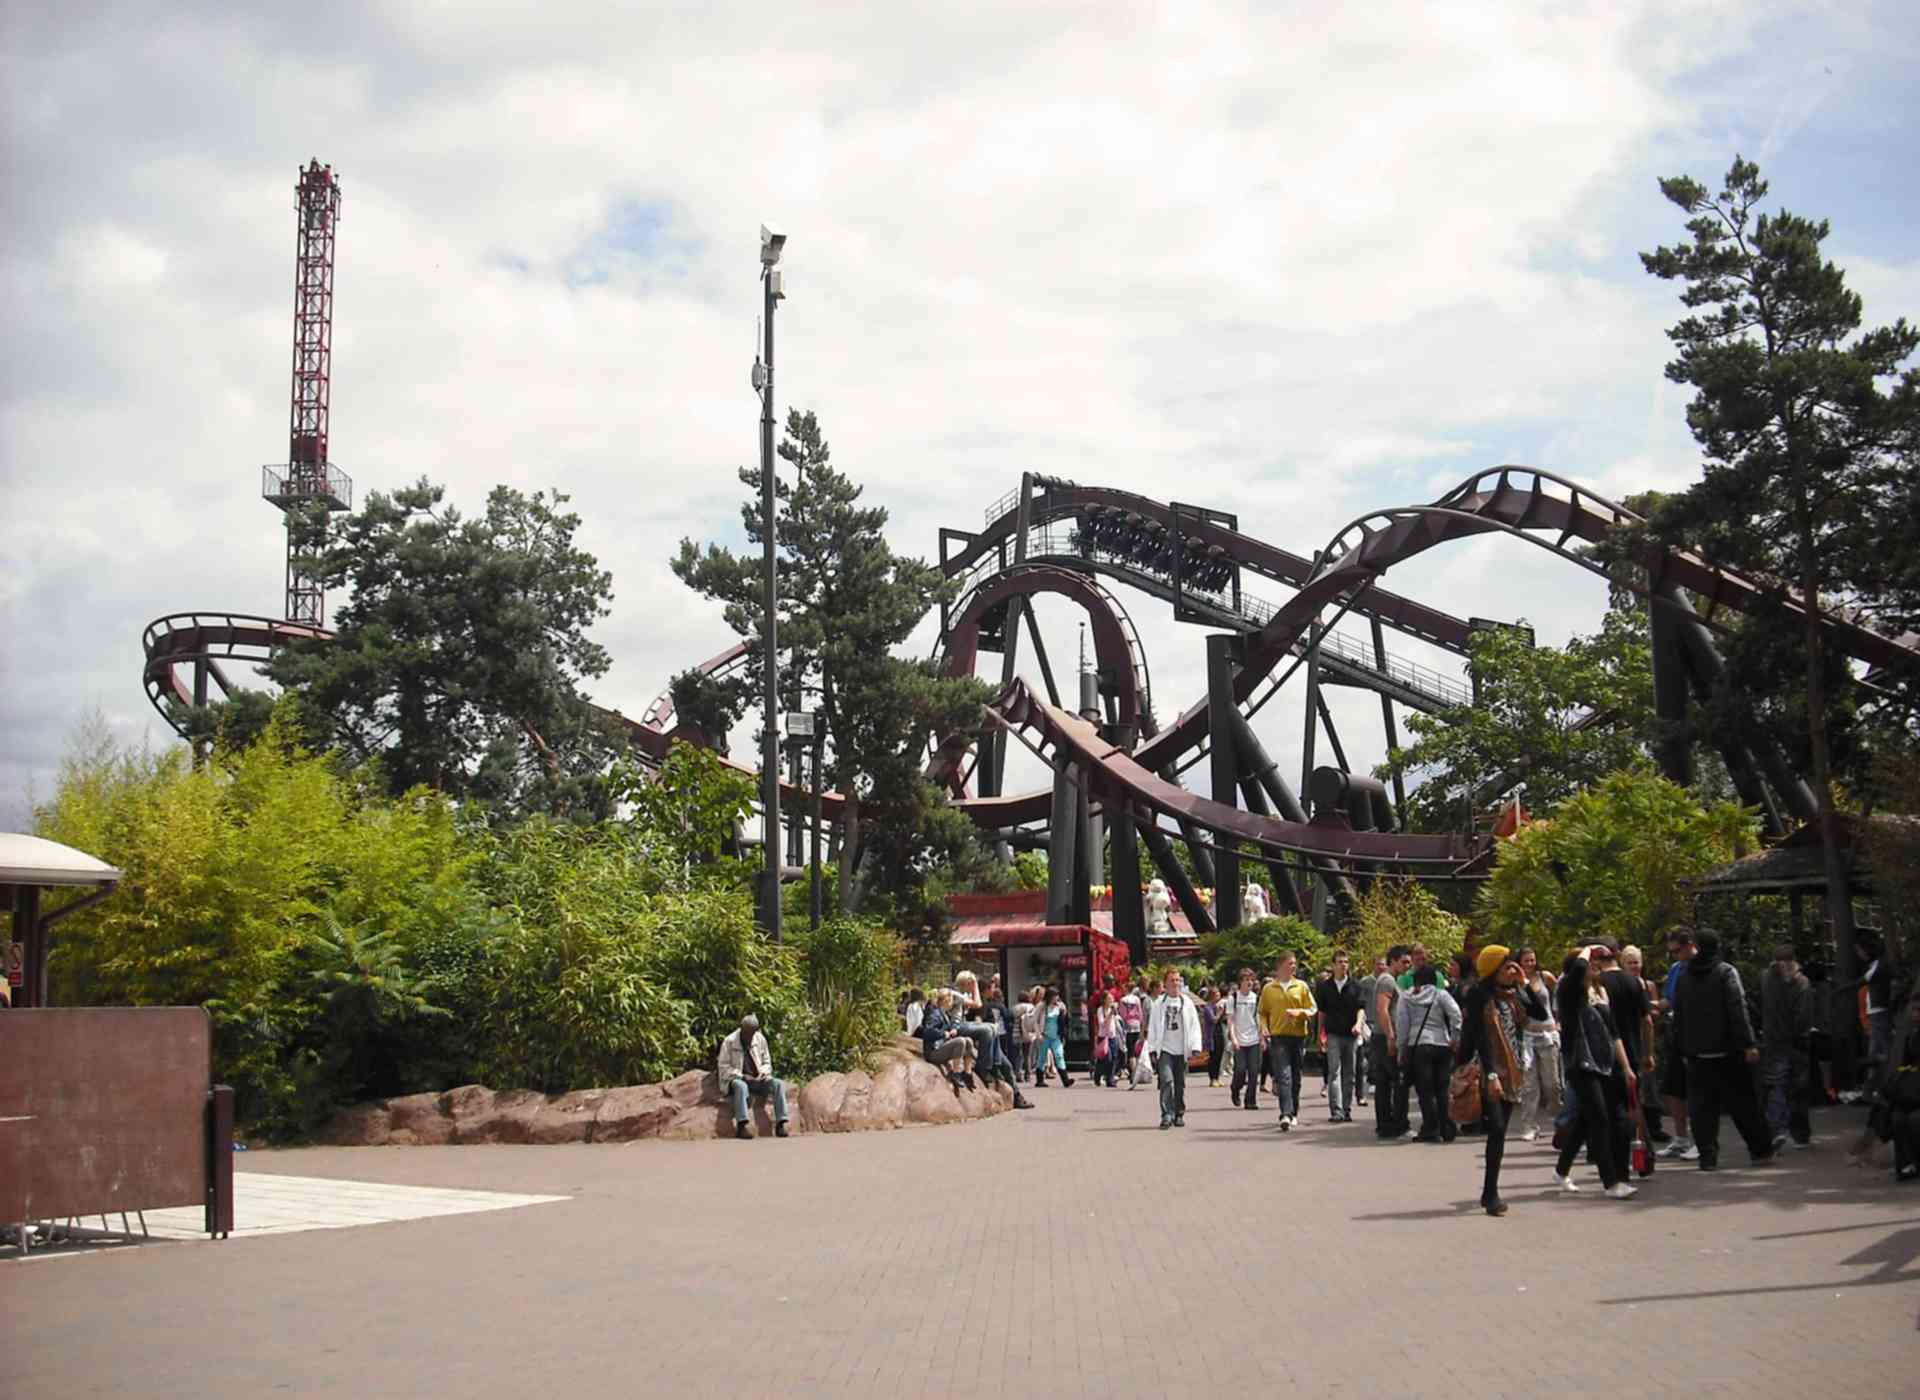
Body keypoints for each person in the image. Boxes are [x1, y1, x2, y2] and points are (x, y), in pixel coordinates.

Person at [1671, 930, 1774, 1171]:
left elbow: (1680, 1016)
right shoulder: (1726, 972)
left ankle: (1707, 1157)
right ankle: (1761, 1151)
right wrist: (1748, 1043)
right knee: (1743, 1104)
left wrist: (1682, 1049)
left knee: (1701, 1108)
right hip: (1728, 1051)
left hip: (1697, 1053)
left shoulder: (1684, 975)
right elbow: (1737, 1009)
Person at [1458, 947, 1538, 1215]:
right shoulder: (1480, 995)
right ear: (1493, 969)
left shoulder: (1514, 994)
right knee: (1497, 1128)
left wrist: (1525, 983)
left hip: (1513, 1069)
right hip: (1488, 1069)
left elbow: (1539, 1012)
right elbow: (1480, 1036)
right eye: (1508, 967)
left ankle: (1488, 1191)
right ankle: (1490, 1194)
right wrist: (1491, 1073)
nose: (1513, 971)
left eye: (1514, 966)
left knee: (1500, 1131)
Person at [1553, 950, 1637, 1198]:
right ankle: (1611, 1183)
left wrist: (1626, 1067)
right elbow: (1577, 969)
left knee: (1588, 1119)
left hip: (1605, 1064)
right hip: (1581, 1064)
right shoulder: (1569, 993)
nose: (1595, 965)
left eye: (1596, 962)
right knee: (1599, 1118)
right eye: (1590, 962)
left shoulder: (1600, 993)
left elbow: (1614, 1033)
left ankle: (1562, 1170)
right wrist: (1589, 947)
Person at [1395, 965, 1461, 1143]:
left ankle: (1431, 1128)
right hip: (1442, 1044)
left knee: (1425, 1090)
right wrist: (1455, 1038)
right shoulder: (1441, 995)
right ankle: (1446, 1127)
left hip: (1418, 1046)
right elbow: (1456, 1015)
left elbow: (1402, 1024)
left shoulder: (1406, 997)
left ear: (1416, 980)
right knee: (1442, 1089)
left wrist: (1401, 1047)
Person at [1760, 943, 1814, 1151]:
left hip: (1774, 1040)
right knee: (1798, 1087)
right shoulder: (1802, 983)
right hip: (1796, 1042)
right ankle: (1800, 1134)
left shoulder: (1767, 979)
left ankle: (1776, 1129)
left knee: (1776, 1086)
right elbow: (1803, 1016)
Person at [1656, 928, 1700, 1161]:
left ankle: (1702, 1139)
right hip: (1676, 1033)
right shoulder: (1676, 969)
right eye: (1671, 951)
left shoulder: (1702, 967)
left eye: (1677, 950)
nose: (1675, 955)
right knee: (1674, 1088)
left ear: (1689, 944)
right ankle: (1681, 1138)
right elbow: (1667, 1001)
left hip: (1696, 1035)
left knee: (1697, 1089)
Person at [1260, 953, 1316, 1131]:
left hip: (1298, 1036)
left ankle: (1294, 1112)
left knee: (1296, 1077)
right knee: (1284, 1076)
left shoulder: (1301, 986)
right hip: (1278, 1037)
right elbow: (1262, 1012)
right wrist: (1263, 1027)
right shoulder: (1269, 989)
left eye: (1294, 964)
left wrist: (1299, 1012)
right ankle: (1285, 1113)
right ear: (1281, 966)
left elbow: (1313, 1009)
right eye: (1290, 963)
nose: (1294, 966)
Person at [1513, 947, 1561, 1143]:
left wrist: (1559, 1021)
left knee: (1552, 1084)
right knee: (1529, 1085)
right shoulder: (1514, 984)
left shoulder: (1545, 977)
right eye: (1526, 961)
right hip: (1528, 1036)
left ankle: (1560, 1121)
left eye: (1532, 960)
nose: (1530, 964)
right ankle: (1528, 1125)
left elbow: (1559, 996)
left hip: (1548, 1033)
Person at [716, 1014, 791, 1141]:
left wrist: (762, 1072)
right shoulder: (729, 1041)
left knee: (778, 1084)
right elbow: (723, 1068)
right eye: (747, 1033)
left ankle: (781, 1124)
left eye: (752, 1033)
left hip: (758, 1079)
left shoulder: (760, 1039)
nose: (749, 1037)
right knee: (741, 1086)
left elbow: (767, 1062)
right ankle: (741, 1125)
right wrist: (742, 1076)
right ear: (742, 1029)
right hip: (738, 1079)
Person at [1314, 950, 1367, 1123]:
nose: (1343, 965)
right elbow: (1321, 1012)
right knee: (1334, 1071)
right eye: (1340, 962)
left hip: (1350, 1034)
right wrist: (1319, 1034)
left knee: (1349, 1073)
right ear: (1333, 965)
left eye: (1346, 962)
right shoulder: (1325, 987)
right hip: (1333, 1033)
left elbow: (1361, 1008)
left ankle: (1346, 1109)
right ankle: (1336, 1110)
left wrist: (1358, 1024)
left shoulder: (1356, 986)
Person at [1147, 968, 1203, 1129]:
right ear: (1165, 984)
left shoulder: (1187, 1003)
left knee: (1180, 1084)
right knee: (1166, 1080)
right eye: (1172, 980)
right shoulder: (1159, 1004)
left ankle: (1179, 1113)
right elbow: (1153, 1027)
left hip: (1182, 1050)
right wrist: (1151, 1049)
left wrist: (1195, 1046)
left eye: (1178, 980)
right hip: (1165, 1049)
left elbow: (1194, 1026)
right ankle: (1166, 1115)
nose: (1175, 983)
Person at [1372, 947, 1413, 1138]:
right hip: (1385, 1037)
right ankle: (1398, 1125)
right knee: (1397, 1081)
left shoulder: (1389, 980)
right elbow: (1382, 1009)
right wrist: (1391, 1037)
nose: (1408, 965)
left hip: (1383, 1036)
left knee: (1384, 1083)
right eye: (1404, 961)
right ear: (1393, 961)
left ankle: (1385, 1125)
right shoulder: (1387, 980)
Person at [917, 990, 980, 1093]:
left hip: (941, 1046)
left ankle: (967, 1073)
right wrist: (943, 1034)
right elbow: (928, 1031)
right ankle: (955, 1073)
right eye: (951, 1000)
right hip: (933, 1052)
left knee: (968, 1040)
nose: (952, 1003)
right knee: (960, 1041)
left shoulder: (944, 1013)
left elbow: (950, 1025)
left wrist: (953, 1029)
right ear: (946, 1001)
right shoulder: (935, 1013)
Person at [1224, 966, 1264, 1111]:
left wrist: (1262, 1037)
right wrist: (1233, 1038)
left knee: (1254, 1071)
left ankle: (1250, 1100)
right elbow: (1231, 1020)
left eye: (1251, 980)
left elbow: (1259, 1019)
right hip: (1239, 1039)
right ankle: (1235, 1089)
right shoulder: (1233, 998)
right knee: (1240, 1069)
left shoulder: (1256, 998)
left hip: (1254, 1038)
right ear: (1240, 982)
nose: (1249, 982)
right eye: (1246, 980)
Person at [1858, 935, 1894, 1076]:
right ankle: (1871, 1087)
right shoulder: (1866, 985)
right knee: (1876, 1051)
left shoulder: (1880, 971)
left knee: (1880, 1052)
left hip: (1879, 1017)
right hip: (1874, 1019)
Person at [1036, 984, 1074, 1088]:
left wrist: (1064, 1011)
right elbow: (1035, 1020)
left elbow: (1064, 1020)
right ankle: (1039, 1080)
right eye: (1054, 996)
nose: (1056, 998)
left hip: (1056, 1036)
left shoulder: (1060, 1006)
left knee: (1059, 1055)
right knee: (1042, 1058)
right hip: (1045, 1035)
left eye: (1057, 996)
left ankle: (1065, 1080)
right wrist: (1038, 1034)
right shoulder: (1042, 1006)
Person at [1120, 980, 1146, 1089]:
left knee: (1130, 1053)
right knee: (1136, 1052)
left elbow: (1122, 1014)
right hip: (1136, 1026)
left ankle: (1133, 1074)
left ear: (1126, 988)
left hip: (1128, 1027)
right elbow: (1140, 1013)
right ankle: (1136, 1073)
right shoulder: (1136, 1000)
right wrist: (1142, 1027)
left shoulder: (1123, 1000)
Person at [1093, 990, 1122, 1088]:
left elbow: (1117, 1019)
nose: (1111, 1000)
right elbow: (1102, 1023)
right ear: (1104, 1000)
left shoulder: (1113, 1009)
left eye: (1112, 998)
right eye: (1109, 998)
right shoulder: (1100, 1010)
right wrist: (1110, 1014)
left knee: (1114, 1058)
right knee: (1105, 1058)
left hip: (1112, 1036)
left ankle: (1110, 1079)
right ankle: (1097, 1074)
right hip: (1103, 1037)